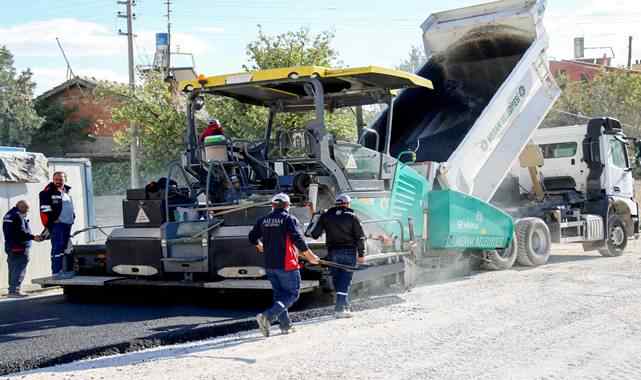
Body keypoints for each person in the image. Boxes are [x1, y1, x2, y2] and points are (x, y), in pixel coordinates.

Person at [248, 193, 319, 336]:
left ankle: (285, 326)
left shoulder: (263, 220)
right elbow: (298, 238)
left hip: (270, 264)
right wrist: (310, 256)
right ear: (287, 205)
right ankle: (267, 316)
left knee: (280, 296)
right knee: (292, 294)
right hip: (286, 264)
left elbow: (252, 237)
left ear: (272, 205)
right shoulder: (288, 219)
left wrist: (259, 245)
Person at [308, 193, 366, 318]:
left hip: (333, 253)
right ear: (347, 204)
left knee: (337, 280)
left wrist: (316, 218)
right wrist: (361, 254)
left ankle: (345, 306)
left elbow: (314, 234)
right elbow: (360, 237)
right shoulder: (352, 217)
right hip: (349, 252)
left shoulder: (326, 216)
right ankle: (339, 309)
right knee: (345, 280)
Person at [3, 201, 42, 297]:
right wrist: (33, 237)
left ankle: (12, 290)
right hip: (19, 246)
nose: (27, 212)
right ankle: (15, 291)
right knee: (19, 268)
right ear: (21, 207)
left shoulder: (8, 215)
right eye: (26, 209)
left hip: (11, 245)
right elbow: (21, 232)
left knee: (13, 268)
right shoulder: (17, 216)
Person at [39, 171, 75, 276]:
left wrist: (73, 217)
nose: (58, 181)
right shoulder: (47, 192)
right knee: (57, 247)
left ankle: (65, 270)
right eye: (56, 179)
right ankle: (56, 272)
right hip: (57, 225)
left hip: (67, 224)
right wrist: (53, 220)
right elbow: (45, 208)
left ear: (65, 180)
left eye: (61, 179)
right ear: (53, 180)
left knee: (66, 248)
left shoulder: (66, 191)